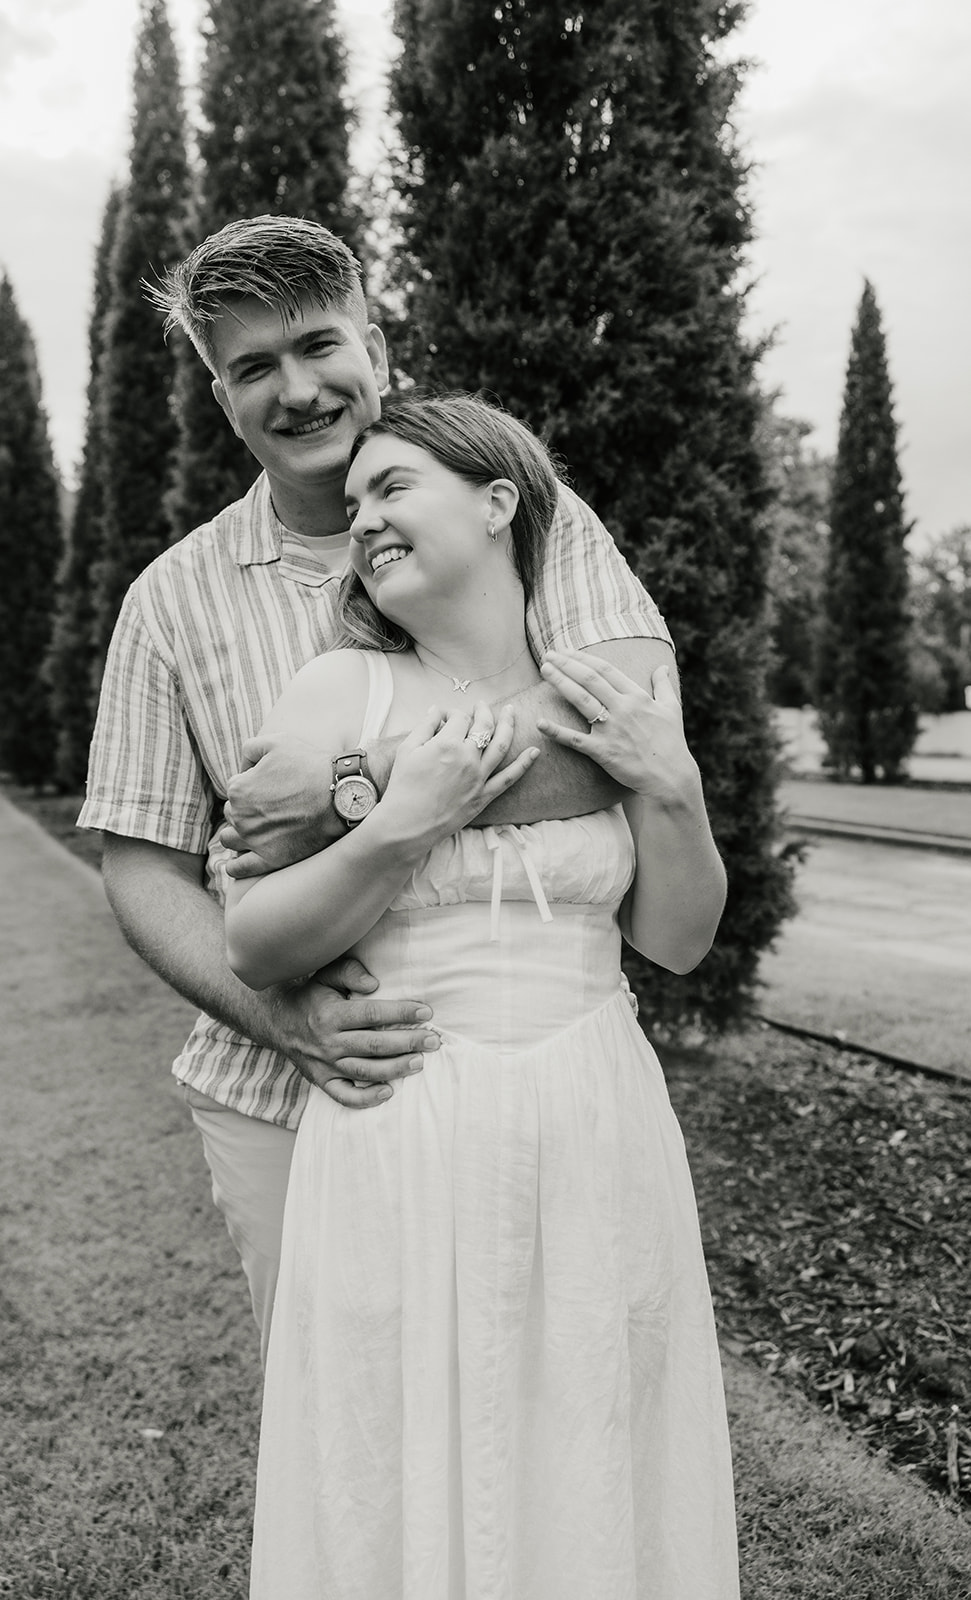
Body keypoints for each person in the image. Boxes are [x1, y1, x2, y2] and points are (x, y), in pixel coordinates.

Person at [78, 215, 675, 1366]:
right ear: (220, 397)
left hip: (515, 1080)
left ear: (377, 347)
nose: (295, 389)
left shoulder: (528, 520)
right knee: (348, 1444)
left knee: (537, 1402)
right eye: (252, 367)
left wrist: (351, 785)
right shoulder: (170, 600)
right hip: (274, 1095)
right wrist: (278, 1013)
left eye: (317, 344)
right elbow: (140, 863)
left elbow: (629, 731)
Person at [225, 392, 737, 1599]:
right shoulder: (336, 694)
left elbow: (673, 939)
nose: (362, 521)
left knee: (594, 1440)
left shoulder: (597, 691)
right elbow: (254, 939)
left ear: (498, 499)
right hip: (404, 1126)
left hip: (595, 1119)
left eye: (391, 488)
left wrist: (673, 792)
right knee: (392, 1454)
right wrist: (395, 827)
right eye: (351, 507)